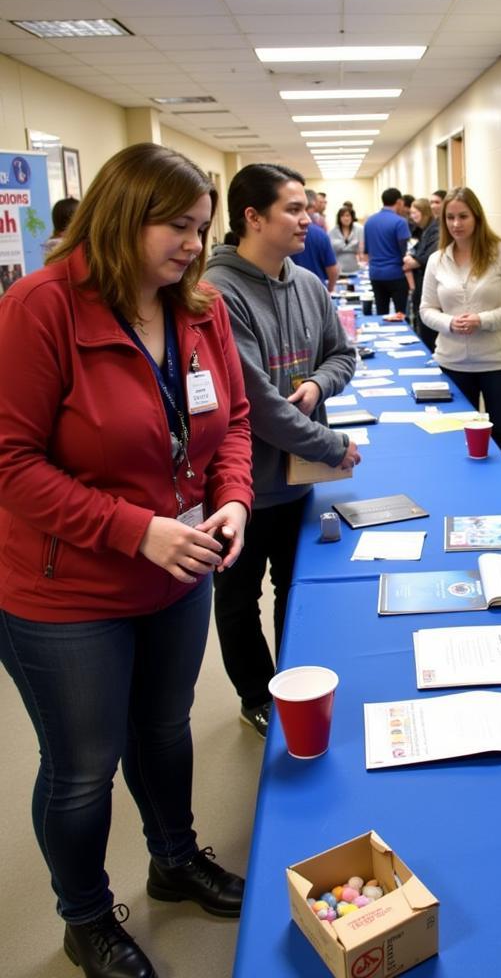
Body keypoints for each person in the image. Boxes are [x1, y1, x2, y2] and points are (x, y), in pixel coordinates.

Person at [0, 143, 253, 978]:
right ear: (121, 217)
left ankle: (174, 860)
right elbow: (11, 462)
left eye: (201, 226)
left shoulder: (201, 307)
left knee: (164, 729)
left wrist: (233, 499)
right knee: (83, 765)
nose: (193, 243)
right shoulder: (42, 308)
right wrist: (134, 528)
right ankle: (85, 917)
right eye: (176, 226)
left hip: (175, 568)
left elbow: (235, 421)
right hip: (66, 588)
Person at [203, 164, 360, 738]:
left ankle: (296, 686)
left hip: (299, 479)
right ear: (252, 217)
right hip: (238, 489)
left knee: (298, 590)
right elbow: (260, 406)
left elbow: (343, 355)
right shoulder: (217, 293)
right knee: (239, 598)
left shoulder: (308, 284)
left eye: (307, 209)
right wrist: (334, 445)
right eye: (294, 209)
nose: (308, 219)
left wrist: (319, 385)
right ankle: (256, 694)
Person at [420, 187, 501, 462]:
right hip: (453, 360)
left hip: (499, 360)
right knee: (459, 429)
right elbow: (426, 309)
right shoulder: (437, 259)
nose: (456, 224)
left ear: (477, 217)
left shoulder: (500, 253)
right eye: (450, 217)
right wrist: (449, 322)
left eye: (463, 216)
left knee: (499, 427)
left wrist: (484, 320)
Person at [363, 188, 411, 315]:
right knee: (401, 314)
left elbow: (367, 250)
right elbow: (404, 251)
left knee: (381, 312)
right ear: (399, 202)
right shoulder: (400, 222)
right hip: (396, 274)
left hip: (375, 274)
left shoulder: (369, 222)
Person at [403, 196, 438, 343]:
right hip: (420, 283)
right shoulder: (424, 230)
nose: (412, 216)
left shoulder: (435, 230)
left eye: (414, 212)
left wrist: (415, 261)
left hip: (427, 284)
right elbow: (417, 251)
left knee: (427, 330)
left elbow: (430, 256)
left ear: (424, 212)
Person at [289, 188, 338, 292]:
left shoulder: (284, 235)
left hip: (292, 291)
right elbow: (332, 269)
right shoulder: (320, 234)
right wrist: (330, 290)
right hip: (318, 290)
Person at [329, 205, 364, 278]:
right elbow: (330, 251)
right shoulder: (332, 232)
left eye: (348, 216)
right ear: (339, 218)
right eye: (343, 216)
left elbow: (361, 249)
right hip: (338, 269)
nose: (346, 218)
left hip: (354, 268)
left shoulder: (359, 229)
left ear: (352, 217)